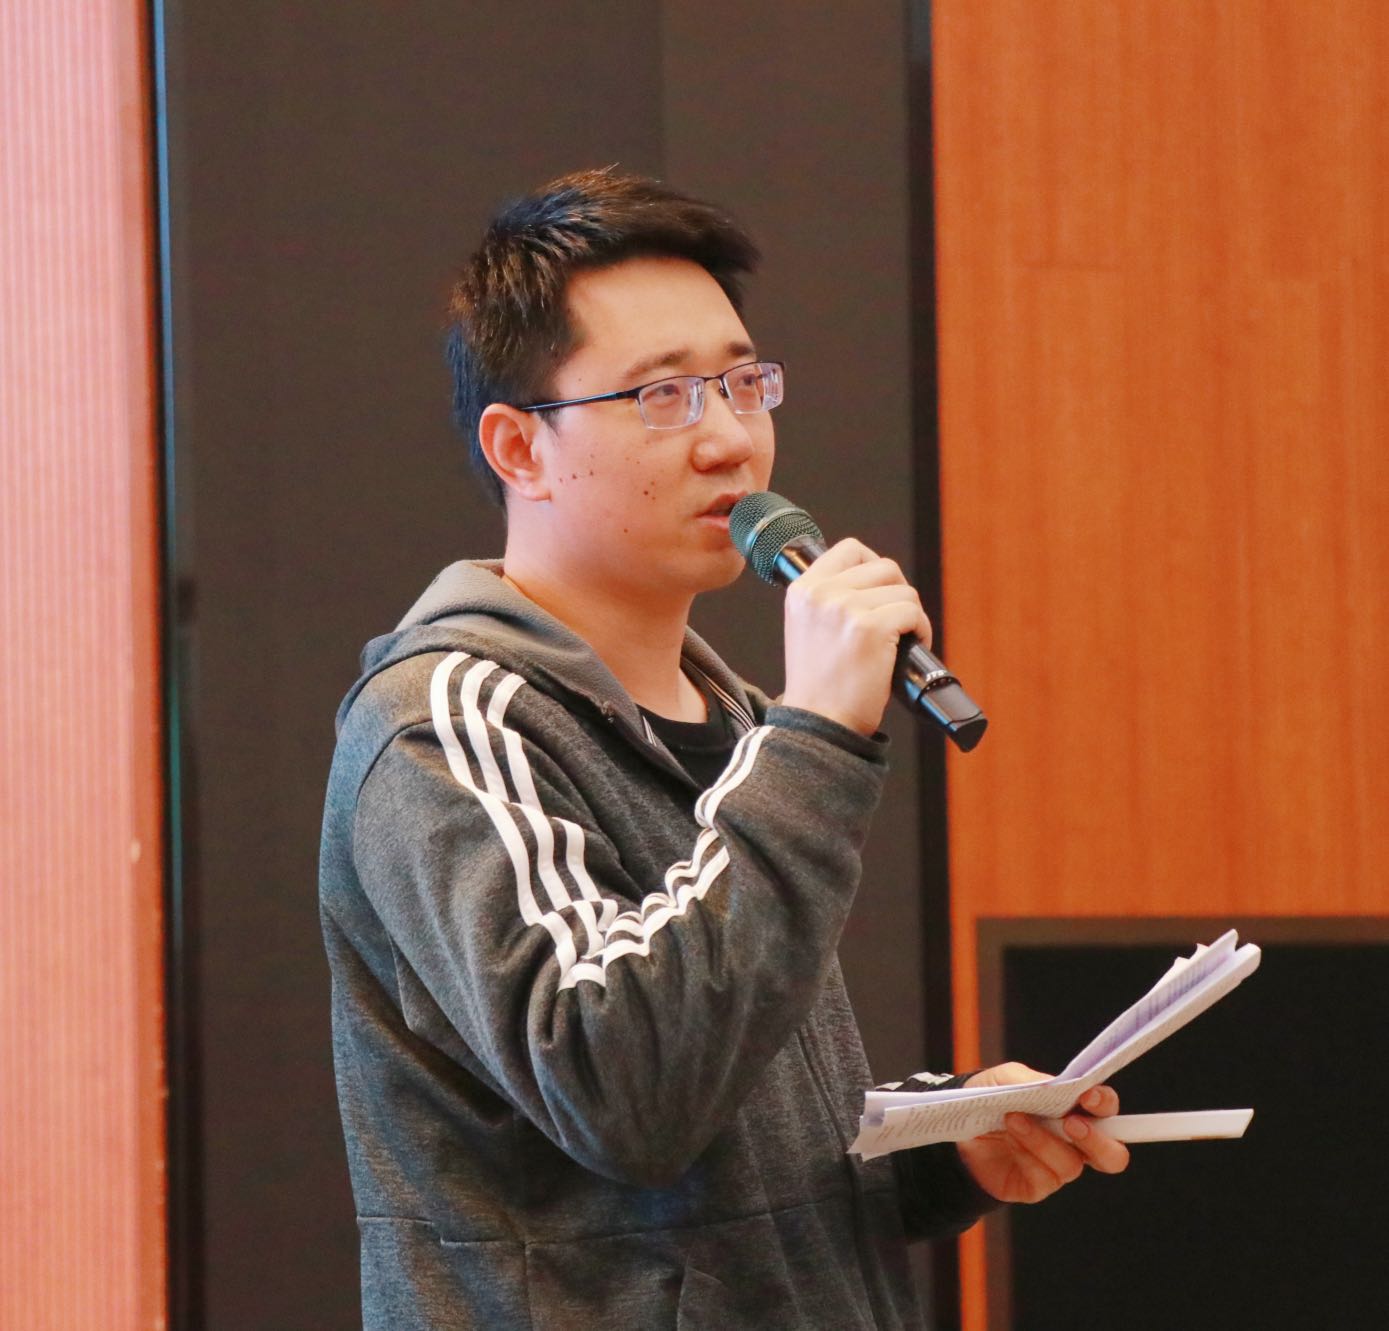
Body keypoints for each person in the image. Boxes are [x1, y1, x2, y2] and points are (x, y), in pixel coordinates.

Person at [318, 167, 1128, 1330]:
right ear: (519, 447)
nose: (730, 440)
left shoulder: (737, 720)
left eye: (744, 383)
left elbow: (725, 1132)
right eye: (663, 396)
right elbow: (622, 1089)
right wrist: (818, 738)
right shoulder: (447, 721)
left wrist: (942, 1146)